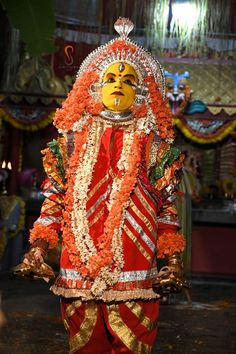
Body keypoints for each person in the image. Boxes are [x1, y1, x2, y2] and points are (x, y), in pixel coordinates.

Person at [15, 18, 188, 354]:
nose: (119, 84)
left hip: (135, 273)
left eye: (128, 79)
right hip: (78, 272)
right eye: (110, 78)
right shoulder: (68, 143)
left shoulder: (155, 147)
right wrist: (37, 249)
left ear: (141, 91)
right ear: (94, 86)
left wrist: (174, 262)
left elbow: (166, 210)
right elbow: (53, 203)